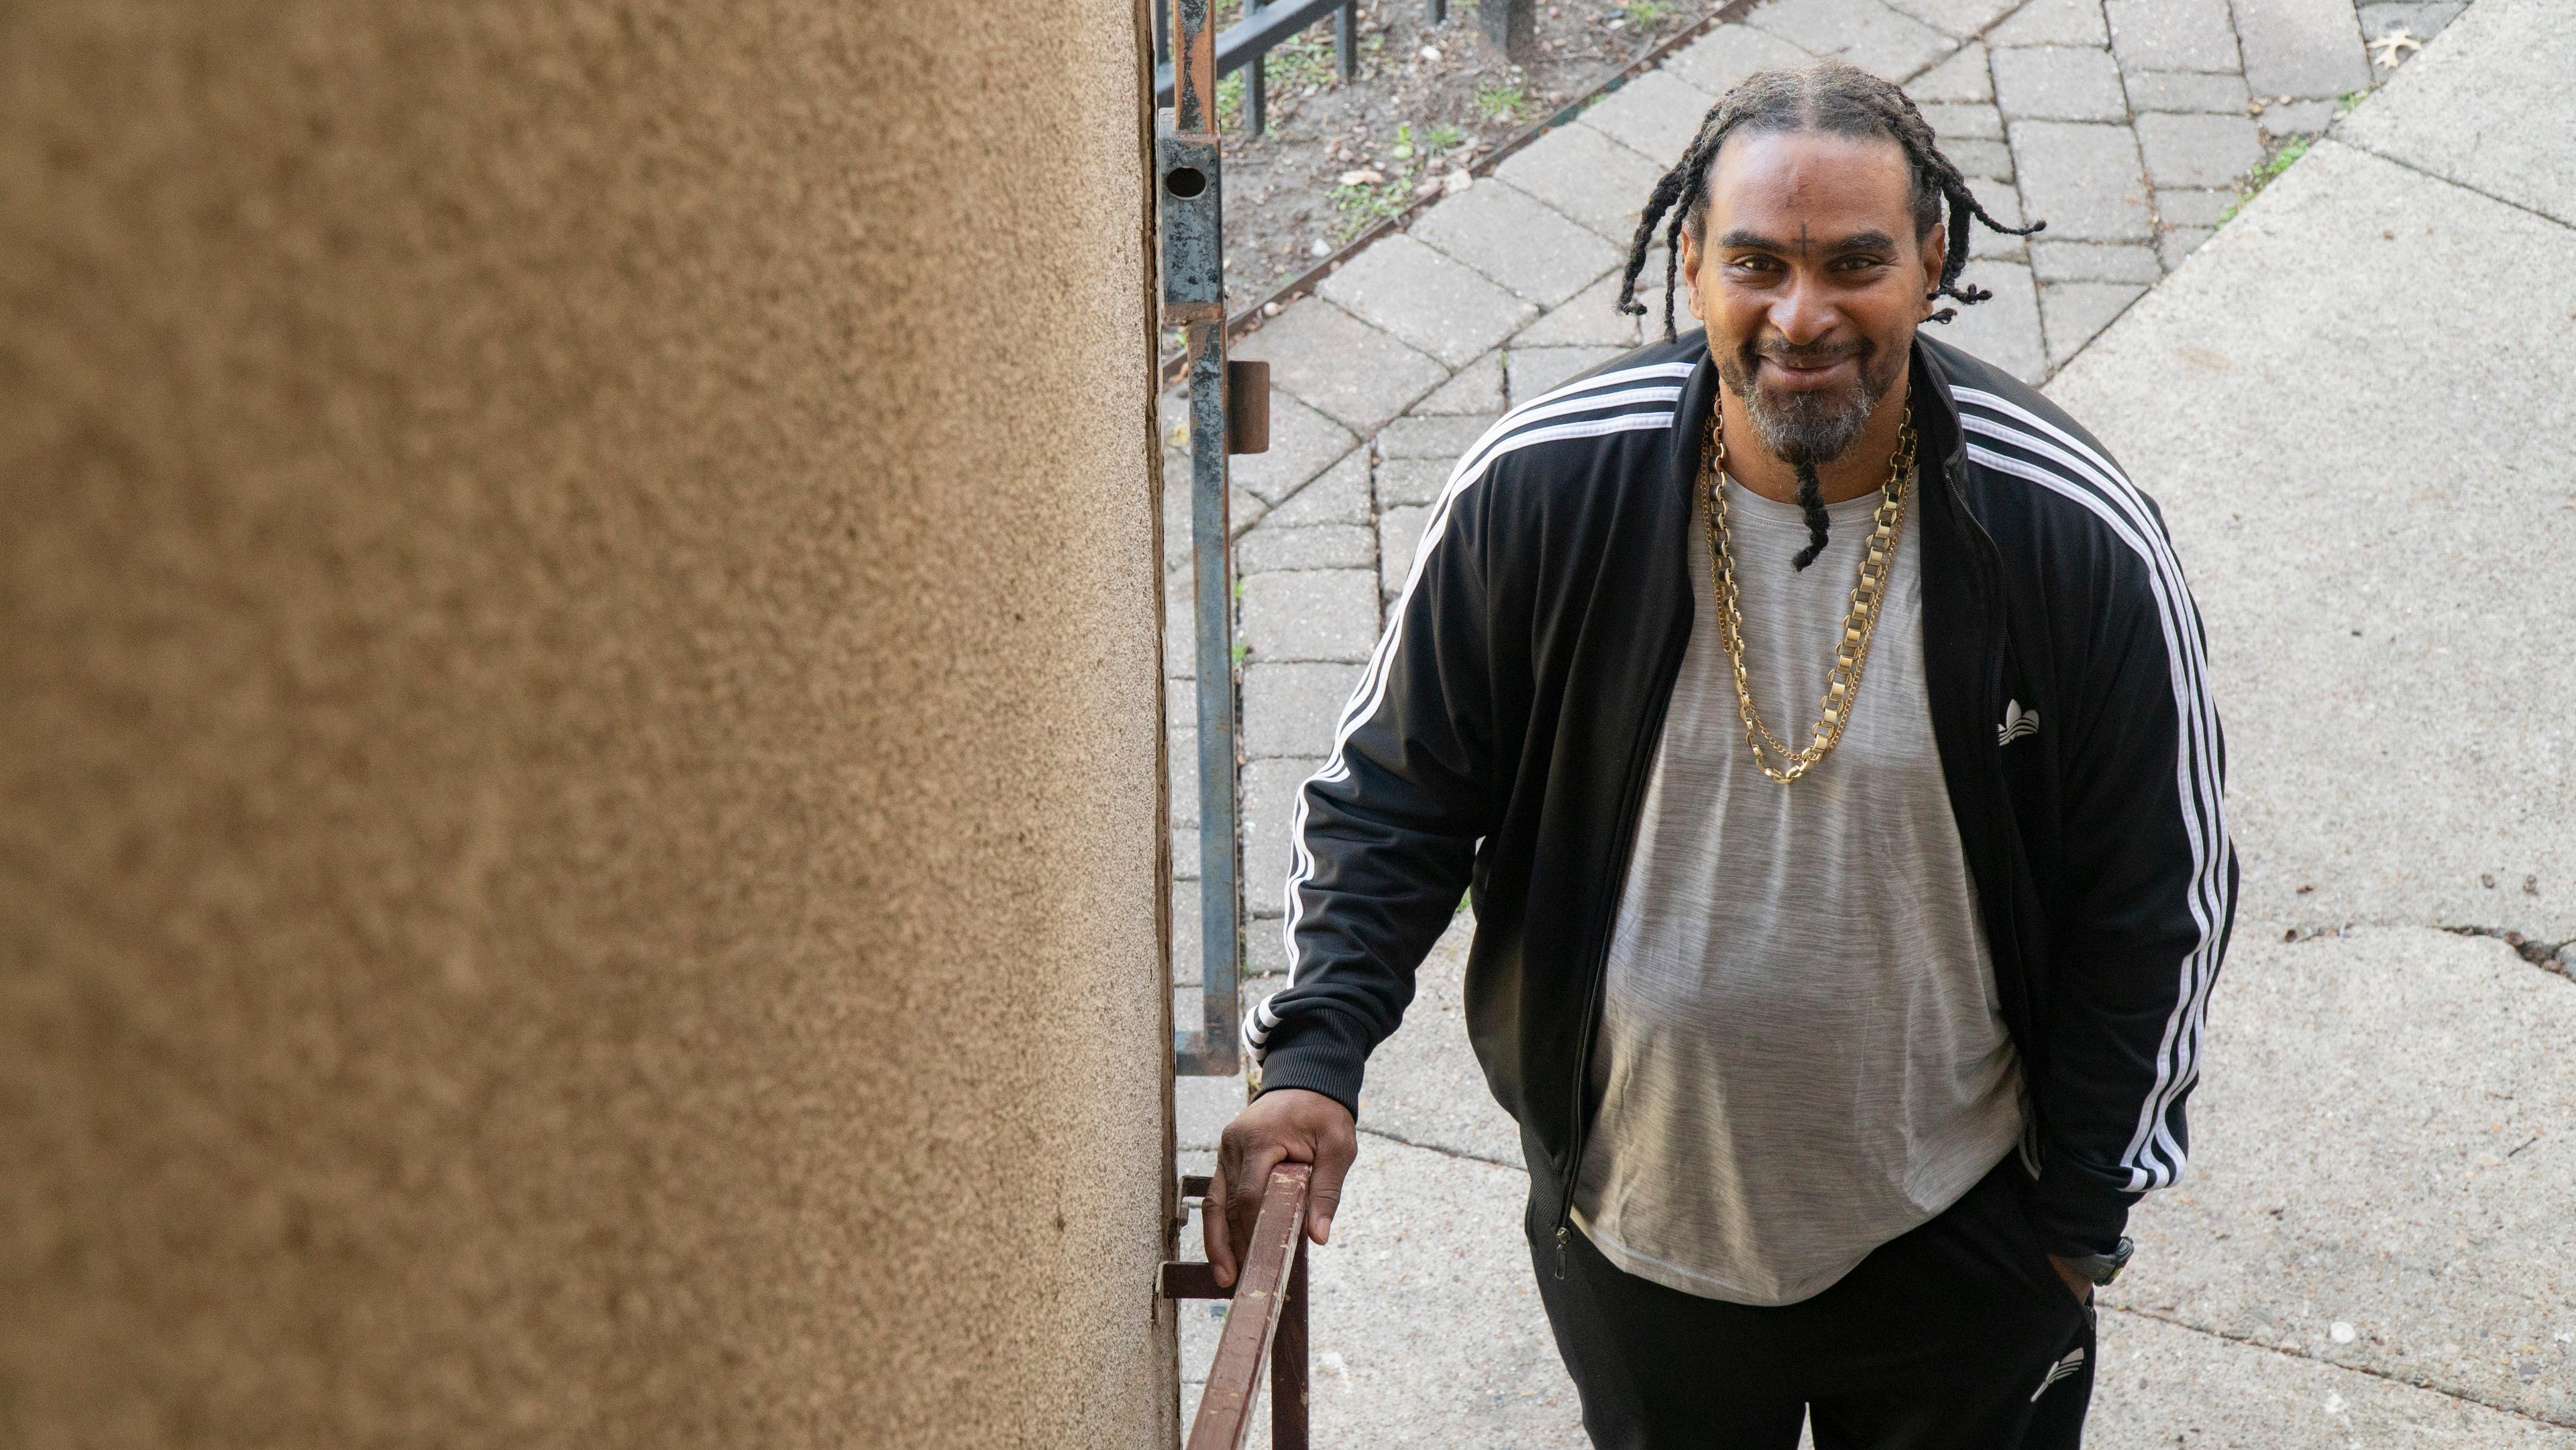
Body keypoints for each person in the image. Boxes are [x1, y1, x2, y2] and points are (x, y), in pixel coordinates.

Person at [1201, 60, 2237, 1449]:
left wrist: (2080, 1218)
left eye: (1855, 262)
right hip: (1635, 1239)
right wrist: (1315, 1057)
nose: (1802, 314)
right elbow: (1395, 798)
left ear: (1934, 260)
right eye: (1756, 260)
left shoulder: (2068, 534)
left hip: (1961, 1227)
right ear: (1688, 263)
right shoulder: (1541, 493)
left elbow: (2159, 892)